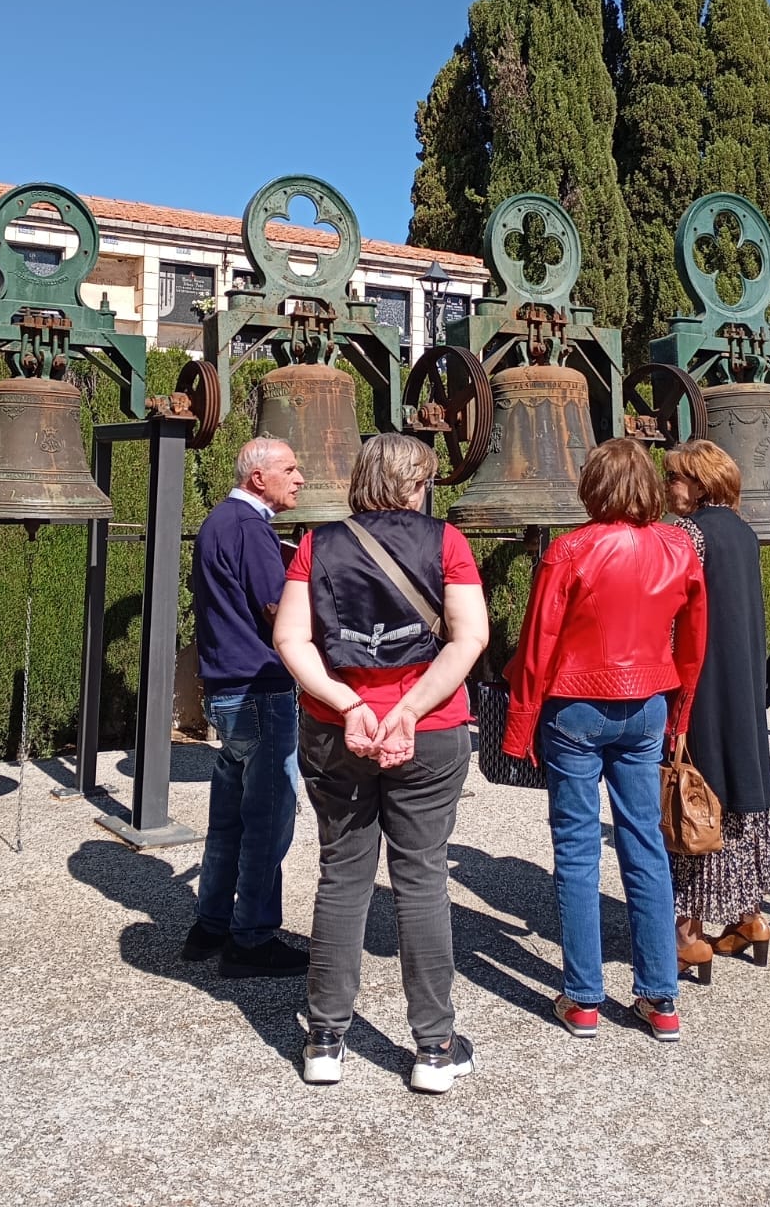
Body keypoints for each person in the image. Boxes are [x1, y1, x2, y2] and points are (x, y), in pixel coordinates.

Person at [273, 434, 489, 1092]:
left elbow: (290, 637)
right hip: (431, 733)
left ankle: (326, 1039)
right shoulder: (446, 543)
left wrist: (346, 701)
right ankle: (433, 1048)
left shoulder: (317, 543)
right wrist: (412, 709)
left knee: (342, 875)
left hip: (338, 731)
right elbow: (469, 637)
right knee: (421, 879)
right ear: (415, 484)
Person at [503, 438, 707, 1044]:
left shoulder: (571, 550)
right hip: (647, 701)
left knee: (576, 848)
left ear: (592, 486)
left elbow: (538, 644)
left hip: (576, 704)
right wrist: (680, 711)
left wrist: (519, 725)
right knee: (644, 843)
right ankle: (659, 998)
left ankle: (585, 998)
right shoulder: (678, 547)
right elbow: (694, 639)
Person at [182, 437, 309, 978]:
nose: (300, 478)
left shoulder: (217, 522)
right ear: (259, 478)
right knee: (268, 821)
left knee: (228, 818)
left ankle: (210, 924)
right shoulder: (250, 529)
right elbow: (279, 610)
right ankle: (252, 939)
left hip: (225, 690)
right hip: (261, 689)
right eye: (290, 468)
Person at [663, 441, 770, 977]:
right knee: (739, 792)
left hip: (704, 682)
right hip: (743, 680)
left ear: (701, 483)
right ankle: (749, 917)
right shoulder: (744, 532)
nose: (668, 489)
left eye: (677, 480)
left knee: (694, 795)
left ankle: (689, 933)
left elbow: (674, 613)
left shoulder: (691, 535)